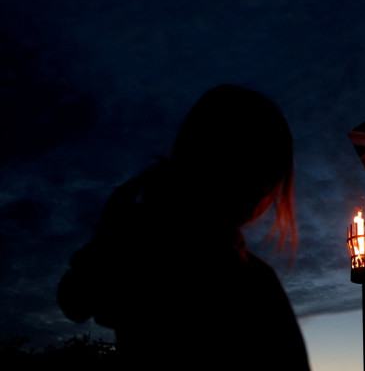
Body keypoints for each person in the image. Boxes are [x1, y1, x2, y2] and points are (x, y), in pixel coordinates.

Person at [57, 84, 310, 369]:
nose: (269, 196)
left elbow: (74, 298)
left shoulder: (131, 245)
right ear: (256, 181)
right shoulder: (248, 279)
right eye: (269, 180)